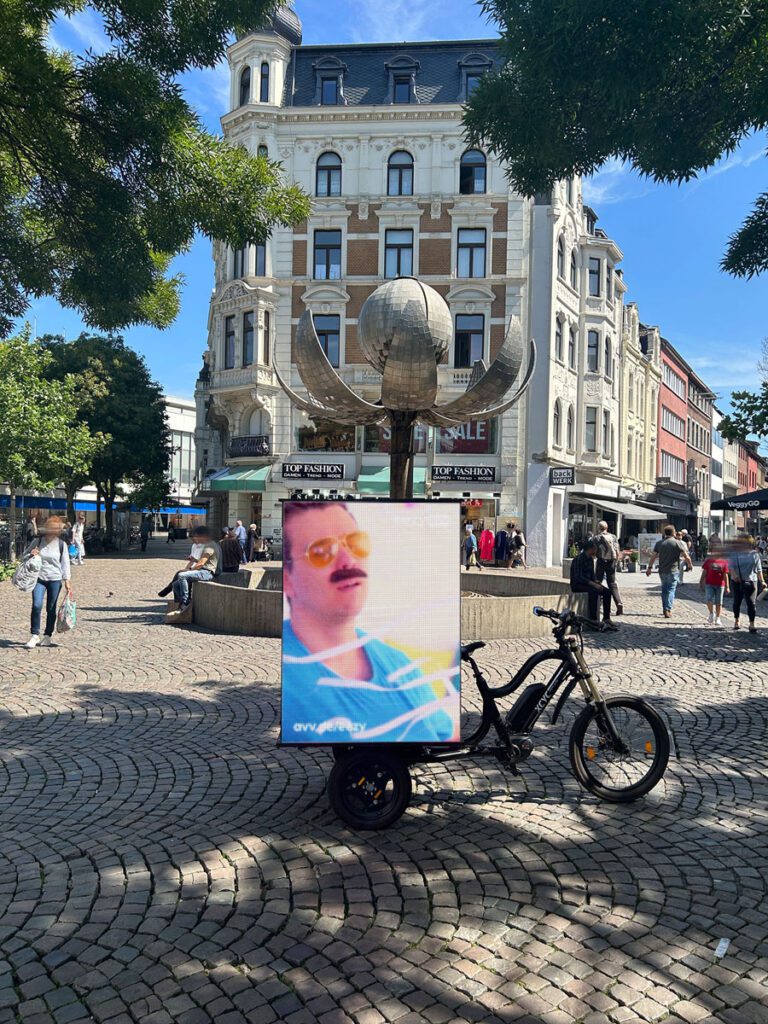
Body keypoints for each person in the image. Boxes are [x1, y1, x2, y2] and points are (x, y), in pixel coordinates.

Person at [281, 501, 458, 743]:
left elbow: (444, 734)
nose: (348, 561)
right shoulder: (291, 677)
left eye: (355, 544)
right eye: (321, 551)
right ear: (287, 579)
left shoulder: (398, 664)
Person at [23, 516, 72, 648]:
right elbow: (25, 555)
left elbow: (65, 564)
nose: (52, 531)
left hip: (55, 579)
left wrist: (67, 580)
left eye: (55, 529)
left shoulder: (62, 545)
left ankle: (47, 636)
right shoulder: (38, 541)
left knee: (51, 608)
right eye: (51, 528)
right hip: (39, 578)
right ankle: (34, 635)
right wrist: (31, 554)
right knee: (37, 605)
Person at [168, 526, 221, 616]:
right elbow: (202, 562)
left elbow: (201, 563)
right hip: (203, 570)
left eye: (197, 536)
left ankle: (185, 603)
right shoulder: (208, 545)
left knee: (182, 576)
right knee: (175, 585)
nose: (196, 539)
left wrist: (188, 570)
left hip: (207, 572)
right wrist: (194, 560)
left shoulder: (210, 547)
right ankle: (180, 603)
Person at [569, 538, 617, 630]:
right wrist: (592, 584)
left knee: (607, 592)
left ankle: (606, 618)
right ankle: (593, 619)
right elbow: (578, 577)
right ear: (590, 549)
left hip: (588, 583)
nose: (596, 551)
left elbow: (592, 574)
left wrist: (596, 581)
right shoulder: (579, 559)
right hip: (578, 585)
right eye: (595, 549)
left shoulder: (590, 559)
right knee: (594, 591)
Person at [646, 525, 693, 618]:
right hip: (673, 570)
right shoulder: (677, 543)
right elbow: (686, 556)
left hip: (662, 570)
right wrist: (690, 565)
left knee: (664, 589)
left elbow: (653, 556)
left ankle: (665, 608)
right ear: (673, 533)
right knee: (671, 589)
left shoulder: (659, 543)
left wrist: (649, 568)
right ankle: (668, 609)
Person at [728, 535, 765, 633]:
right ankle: (736, 620)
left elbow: (758, 569)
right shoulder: (734, 554)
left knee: (751, 603)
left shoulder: (755, 554)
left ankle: (752, 624)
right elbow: (731, 567)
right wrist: (735, 575)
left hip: (751, 581)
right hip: (737, 582)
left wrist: (762, 581)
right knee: (737, 601)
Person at [158, 530, 207, 597]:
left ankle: (169, 588)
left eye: (194, 538)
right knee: (178, 578)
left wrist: (191, 566)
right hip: (193, 567)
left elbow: (201, 562)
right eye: (191, 538)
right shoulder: (194, 546)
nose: (193, 540)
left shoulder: (204, 546)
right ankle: (175, 596)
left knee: (179, 574)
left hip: (199, 568)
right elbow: (191, 561)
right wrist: (186, 568)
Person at [595, 520, 623, 615]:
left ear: (599, 528)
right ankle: (618, 602)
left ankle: (597, 604)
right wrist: (616, 562)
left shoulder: (597, 538)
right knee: (612, 583)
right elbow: (617, 550)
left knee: (598, 582)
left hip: (601, 561)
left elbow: (594, 551)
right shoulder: (613, 537)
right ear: (607, 528)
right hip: (611, 562)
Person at [699, 547, 729, 626]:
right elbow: (704, 572)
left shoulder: (724, 562)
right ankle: (711, 614)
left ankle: (718, 617)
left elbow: (725, 575)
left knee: (719, 602)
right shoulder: (708, 561)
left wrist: (727, 586)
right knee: (709, 599)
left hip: (720, 585)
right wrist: (701, 581)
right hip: (709, 584)